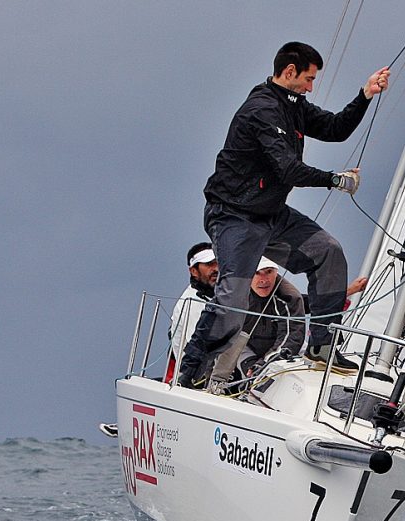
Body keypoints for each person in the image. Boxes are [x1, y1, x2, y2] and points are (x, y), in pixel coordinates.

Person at [176, 41, 390, 389]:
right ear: (289, 72)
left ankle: (322, 345)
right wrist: (334, 180)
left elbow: (336, 129)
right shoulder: (262, 109)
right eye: (308, 79)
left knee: (328, 251)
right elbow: (289, 169)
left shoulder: (294, 106)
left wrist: (365, 95)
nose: (311, 86)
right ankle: (192, 374)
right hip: (233, 215)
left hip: (271, 215)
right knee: (232, 296)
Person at [235, 257, 306, 379]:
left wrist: (263, 364)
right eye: (257, 273)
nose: (264, 280)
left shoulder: (289, 297)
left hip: (286, 349)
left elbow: (291, 338)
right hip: (246, 348)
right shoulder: (235, 293)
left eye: (268, 272)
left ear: (276, 272)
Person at [167, 242, 219, 379]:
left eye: (217, 263)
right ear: (194, 271)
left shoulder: (215, 296)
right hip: (196, 380)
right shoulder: (192, 302)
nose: (215, 269)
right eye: (208, 265)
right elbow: (199, 349)